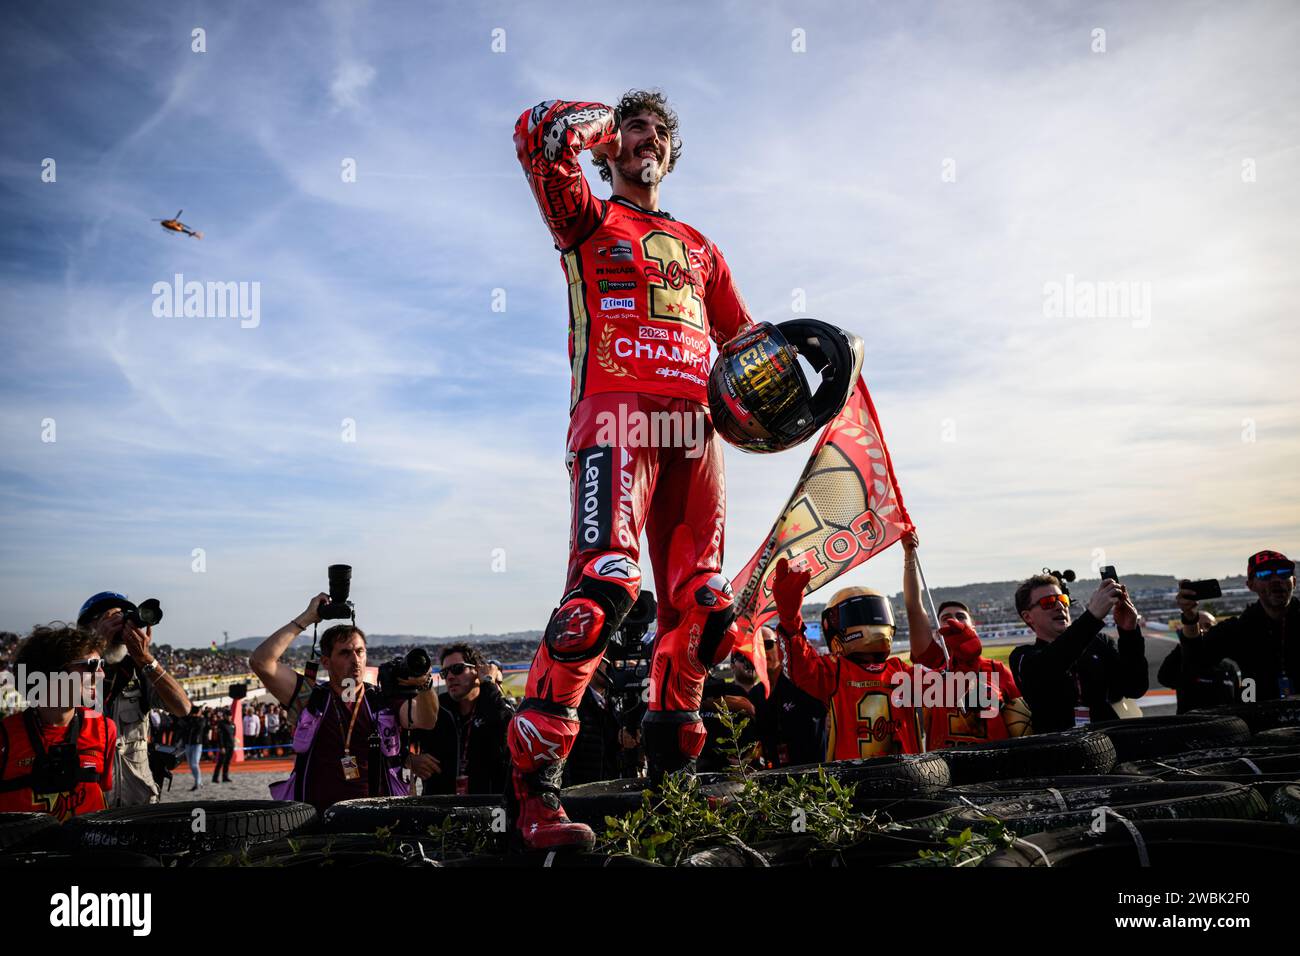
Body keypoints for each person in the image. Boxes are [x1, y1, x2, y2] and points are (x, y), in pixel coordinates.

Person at [508, 89, 756, 848]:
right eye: (634, 128)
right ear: (613, 143)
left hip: (696, 428)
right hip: (613, 414)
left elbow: (747, 346)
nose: (646, 139)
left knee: (706, 608)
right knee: (605, 587)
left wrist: (817, 374)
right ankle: (536, 792)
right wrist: (605, 130)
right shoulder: (584, 216)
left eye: (658, 132)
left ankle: (672, 787)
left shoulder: (702, 246)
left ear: (674, 154)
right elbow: (539, 135)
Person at [249, 592, 438, 813]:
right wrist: (307, 618)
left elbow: (426, 721)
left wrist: (424, 685)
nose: (355, 660)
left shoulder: (381, 700)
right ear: (326, 661)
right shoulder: (312, 697)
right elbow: (261, 661)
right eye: (345, 653)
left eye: (360, 652)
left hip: (379, 816)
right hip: (317, 816)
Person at [772, 558, 925, 758]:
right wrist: (790, 620)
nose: (870, 620)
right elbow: (801, 667)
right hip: (856, 784)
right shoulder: (835, 671)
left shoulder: (900, 671)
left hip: (900, 779)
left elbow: (953, 691)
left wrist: (965, 662)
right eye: (858, 614)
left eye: (876, 612)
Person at [900, 532, 1031, 745]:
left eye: (961, 617)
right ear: (936, 632)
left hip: (996, 765)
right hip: (945, 770)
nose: (953, 620)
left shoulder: (997, 669)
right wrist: (909, 558)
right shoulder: (933, 664)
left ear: (973, 627)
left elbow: (1021, 714)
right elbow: (914, 607)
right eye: (946, 618)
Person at [77, 592, 193, 807]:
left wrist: (146, 659)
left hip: (138, 798)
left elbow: (183, 707)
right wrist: (96, 646)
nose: (119, 624)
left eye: (123, 617)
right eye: (110, 618)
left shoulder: (138, 671)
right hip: (89, 800)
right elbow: (73, 704)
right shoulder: (70, 670)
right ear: (87, 626)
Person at [0, 624, 116, 820]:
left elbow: (103, 792)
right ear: (50, 672)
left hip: (87, 850)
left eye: (101, 665)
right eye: (90, 666)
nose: (101, 674)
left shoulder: (104, 728)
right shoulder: (5, 735)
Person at [1008, 572, 1147, 732]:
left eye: (1062, 600)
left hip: (1108, 745)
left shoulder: (1099, 643)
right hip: (1058, 751)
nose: (1060, 606)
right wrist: (1092, 616)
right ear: (1028, 616)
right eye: (1048, 602)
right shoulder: (1023, 657)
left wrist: (1129, 632)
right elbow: (1049, 667)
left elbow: (1135, 687)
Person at [1165, 551, 1299, 704]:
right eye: (1265, 574)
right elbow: (1186, 667)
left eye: (1283, 573)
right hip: (1261, 723)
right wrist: (1190, 618)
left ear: (1293, 582)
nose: (1276, 579)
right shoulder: (1241, 628)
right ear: (1250, 585)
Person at [409, 645, 513, 796]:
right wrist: (409, 759)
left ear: (477, 670)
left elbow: (505, 728)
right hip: (440, 809)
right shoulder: (437, 708)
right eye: (445, 672)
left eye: (457, 669)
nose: (450, 677)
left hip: (487, 808)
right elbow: (396, 738)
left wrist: (489, 683)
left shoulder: (494, 705)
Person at [750, 626, 826, 768]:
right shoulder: (755, 695)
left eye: (767, 645)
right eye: (757, 647)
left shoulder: (801, 685)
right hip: (773, 780)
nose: (763, 652)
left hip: (812, 775)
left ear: (779, 646)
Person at [563, 657, 624, 786]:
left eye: (617, 666)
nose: (614, 671)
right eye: (609, 665)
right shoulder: (575, 705)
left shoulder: (616, 702)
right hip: (582, 789)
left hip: (610, 786)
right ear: (593, 665)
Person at [213, 708, 235, 783]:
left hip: (231, 745)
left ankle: (225, 777)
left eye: (230, 716)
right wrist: (221, 747)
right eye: (228, 716)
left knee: (227, 762)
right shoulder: (221, 724)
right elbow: (220, 736)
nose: (229, 717)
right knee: (220, 762)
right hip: (224, 746)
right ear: (225, 716)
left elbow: (233, 734)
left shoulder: (232, 724)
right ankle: (215, 778)